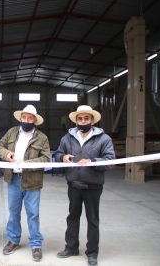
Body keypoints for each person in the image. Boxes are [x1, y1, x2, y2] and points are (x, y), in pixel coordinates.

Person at [54, 105, 115, 266]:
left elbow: (110, 161)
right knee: (72, 217)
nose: (83, 121)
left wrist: (92, 161)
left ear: (92, 120)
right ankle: (71, 247)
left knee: (92, 219)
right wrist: (63, 157)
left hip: (93, 185)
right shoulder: (67, 138)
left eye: (86, 118)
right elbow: (58, 153)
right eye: (80, 118)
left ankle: (92, 252)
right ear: (75, 121)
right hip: (73, 183)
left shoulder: (104, 139)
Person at [0, 105, 50, 262]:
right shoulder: (12, 132)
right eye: (24, 118)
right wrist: (7, 154)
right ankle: (13, 240)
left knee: (33, 214)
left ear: (35, 120)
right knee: (13, 212)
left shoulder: (42, 138)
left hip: (32, 180)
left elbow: (46, 158)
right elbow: (0, 146)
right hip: (13, 179)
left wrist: (26, 162)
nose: (26, 120)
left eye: (30, 118)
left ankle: (35, 244)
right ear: (20, 118)